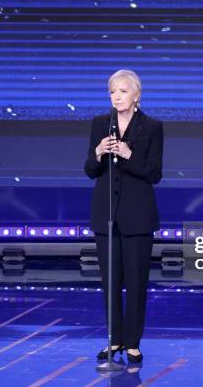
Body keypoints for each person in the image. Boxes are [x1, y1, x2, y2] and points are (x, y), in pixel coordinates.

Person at [84, 69, 163, 363]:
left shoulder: (152, 127)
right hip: (106, 215)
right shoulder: (100, 125)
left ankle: (132, 342)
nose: (117, 97)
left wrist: (130, 155)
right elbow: (90, 170)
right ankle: (114, 339)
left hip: (138, 217)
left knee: (136, 282)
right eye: (113, 92)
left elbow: (154, 173)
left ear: (136, 95)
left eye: (123, 91)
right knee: (110, 282)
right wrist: (97, 153)